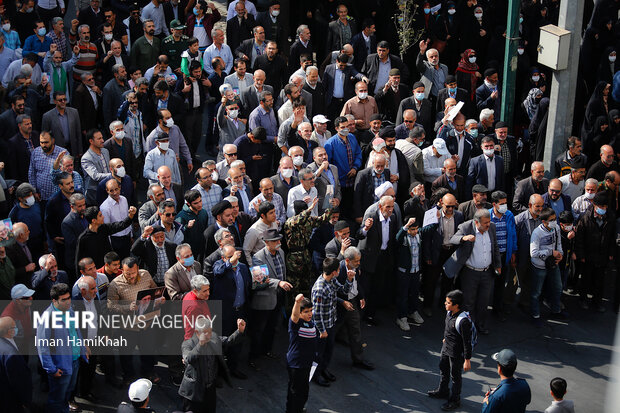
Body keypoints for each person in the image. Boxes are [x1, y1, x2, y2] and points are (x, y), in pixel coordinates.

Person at [444, 209, 502, 335]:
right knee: (468, 302)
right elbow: (453, 238)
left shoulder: (491, 227)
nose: (488, 224)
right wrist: (464, 238)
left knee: (484, 301)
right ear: (476, 223)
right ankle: (468, 327)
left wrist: (498, 265)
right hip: (470, 273)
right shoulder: (466, 226)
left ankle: (480, 325)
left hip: (487, 273)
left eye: (489, 222)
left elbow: (495, 247)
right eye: (485, 222)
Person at [37, 283, 88, 413]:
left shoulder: (70, 311)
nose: (68, 301)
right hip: (60, 366)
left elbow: (76, 332)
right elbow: (43, 347)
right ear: (54, 300)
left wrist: (82, 349)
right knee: (56, 398)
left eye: (69, 297)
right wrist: (51, 369)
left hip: (75, 361)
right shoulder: (47, 318)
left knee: (68, 392)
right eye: (63, 299)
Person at [311, 257, 354, 386]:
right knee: (318, 353)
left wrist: (349, 279)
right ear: (334, 272)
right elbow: (316, 314)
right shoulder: (320, 288)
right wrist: (322, 330)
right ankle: (315, 375)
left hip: (330, 322)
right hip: (322, 326)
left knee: (328, 350)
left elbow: (343, 291)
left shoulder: (332, 280)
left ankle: (323, 369)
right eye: (339, 269)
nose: (340, 271)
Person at [427, 290, 472, 412]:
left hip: (456, 354)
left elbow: (467, 342)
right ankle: (443, 391)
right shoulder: (449, 313)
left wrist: (467, 360)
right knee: (443, 369)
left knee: (455, 377)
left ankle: (455, 399)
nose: (445, 304)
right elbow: (448, 328)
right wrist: (445, 338)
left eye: (448, 302)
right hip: (446, 348)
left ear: (456, 305)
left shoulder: (463, 321)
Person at [575, 192, 615, 312]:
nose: (603, 209)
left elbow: (612, 237)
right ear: (594, 205)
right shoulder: (585, 218)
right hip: (588, 255)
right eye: (601, 207)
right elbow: (579, 239)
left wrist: (611, 253)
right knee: (586, 279)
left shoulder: (610, 217)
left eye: (605, 207)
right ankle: (583, 299)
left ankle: (597, 302)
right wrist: (581, 255)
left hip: (602, 254)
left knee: (600, 280)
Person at [530, 208, 567, 325]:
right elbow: (534, 253)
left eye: (555, 219)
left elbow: (559, 243)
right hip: (539, 267)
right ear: (544, 222)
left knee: (558, 287)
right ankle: (535, 315)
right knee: (536, 292)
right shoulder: (537, 233)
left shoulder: (556, 228)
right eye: (551, 220)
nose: (554, 222)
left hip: (553, 264)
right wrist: (550, 252)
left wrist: (560, 255)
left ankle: (556, 310)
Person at [286, 294, 318, 413]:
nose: (309, 314)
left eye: (310, 311)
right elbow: (294, 315)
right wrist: (296, 302)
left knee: (303, 390)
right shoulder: (296, 324)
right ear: (299, 313)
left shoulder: (311, 322)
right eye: (306, 312)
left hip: (306, 364)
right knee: (295, 392)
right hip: (296, 364)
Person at [0, 316, 32, 413]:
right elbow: (18, 382)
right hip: (11, 402)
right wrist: (25, 401)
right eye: (14, 326)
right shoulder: (11, 355)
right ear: (10, 331)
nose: (17, 328)